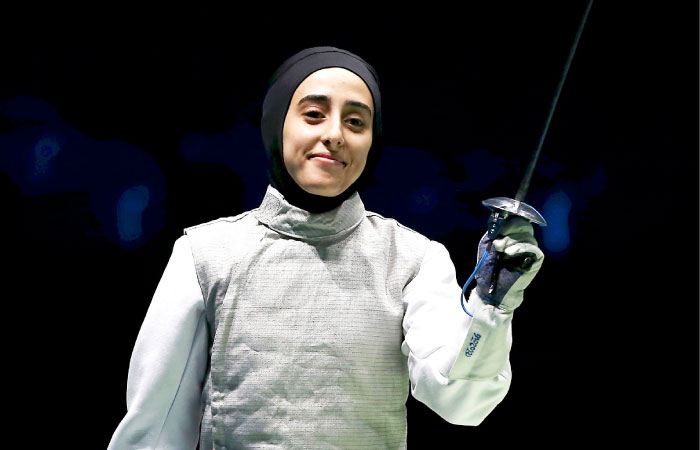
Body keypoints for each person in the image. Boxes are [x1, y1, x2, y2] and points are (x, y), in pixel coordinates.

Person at [107, 46, 544, 450]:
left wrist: (491, 304)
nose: (335, 134)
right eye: (314, 114)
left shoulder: (413, 259)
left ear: (372, 141)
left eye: (356, 122)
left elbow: (461, 401)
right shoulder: (206, 255)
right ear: (278, 124)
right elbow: (154, 431)